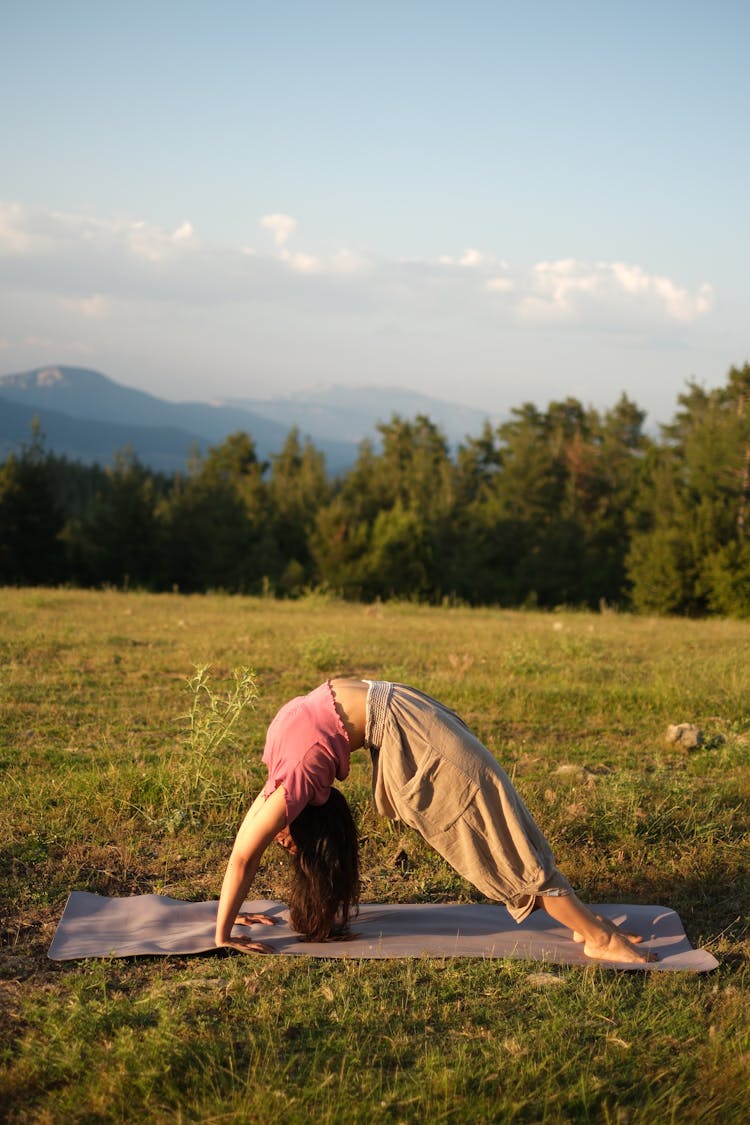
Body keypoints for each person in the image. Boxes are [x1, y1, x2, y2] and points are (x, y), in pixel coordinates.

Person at [214, 678, 656, 963]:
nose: (279, 838)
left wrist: (223, 936)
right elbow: (245, 847)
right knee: (500, 816)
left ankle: (595, 935)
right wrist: (229, 920)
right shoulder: (284, 770)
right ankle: (588, 924)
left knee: (496, 831)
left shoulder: (292, 779)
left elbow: (242, 858)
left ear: (299, 815)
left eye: (283, 838)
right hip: (399, 706)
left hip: (407, 728)